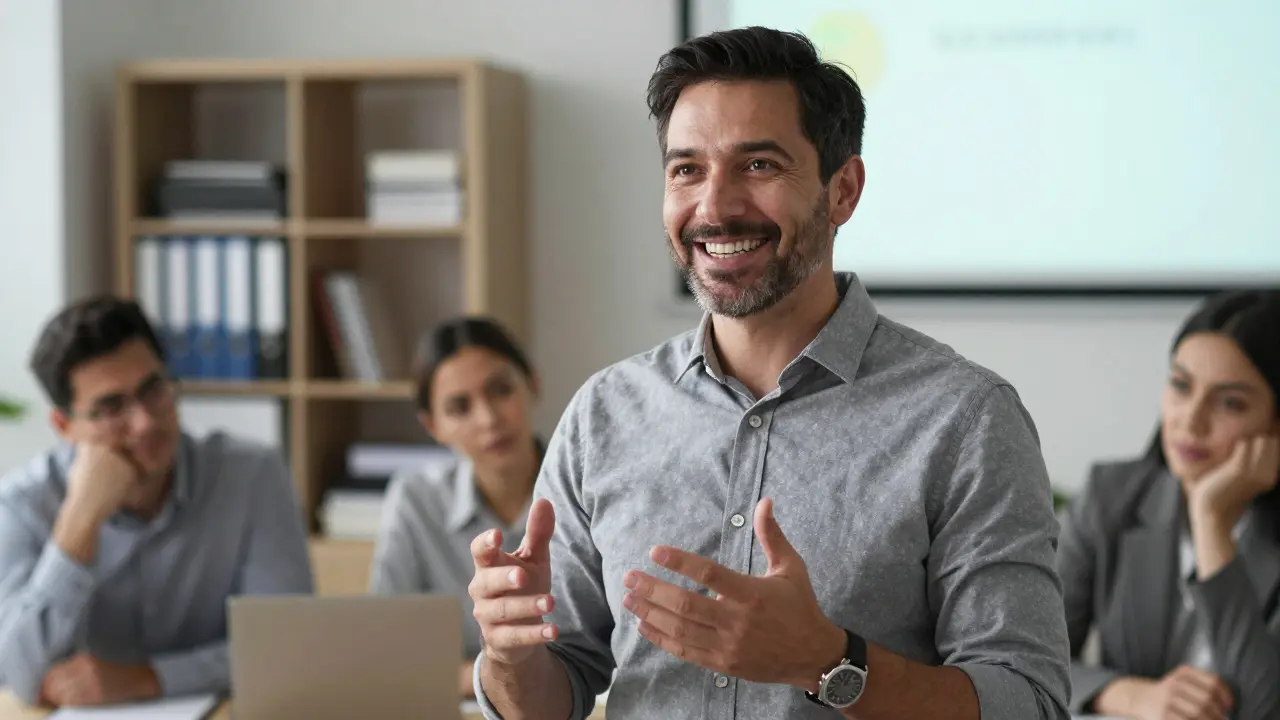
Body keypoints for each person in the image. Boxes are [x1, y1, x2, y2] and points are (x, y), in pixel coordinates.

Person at [467, 26, 1071, 720]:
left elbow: (1029, 703)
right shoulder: (603, 413)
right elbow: (554, 694)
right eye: (686, 169)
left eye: (758, 165)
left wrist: (829, 662)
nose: (715, 207)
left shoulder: (967, 419)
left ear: (842, 191)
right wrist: (511, 657)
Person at [0, 296, 313, 708]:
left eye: (153, 390)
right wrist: (79, 521)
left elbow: (286, 648)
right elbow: (17, 674)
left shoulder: (252, 477)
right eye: (111, 407)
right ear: (64, 425)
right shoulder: (23, 503)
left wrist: (148, 680)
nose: (145, 422)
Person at [1058, 290, 1280, 720]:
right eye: (1181, 386)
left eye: (1230, 402)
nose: (1190, 420)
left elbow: (1265, 709)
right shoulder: (1110, 498)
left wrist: (1211, 522)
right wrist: (1129, 695)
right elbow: (1023, 659)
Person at [369, 317, 543, 699]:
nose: (489, 419)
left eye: (500, 390)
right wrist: (492, 680)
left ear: (532, 383)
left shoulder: (587, 489)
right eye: (459, 407)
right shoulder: (416, 500)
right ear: (433, 426)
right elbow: (384, 653)